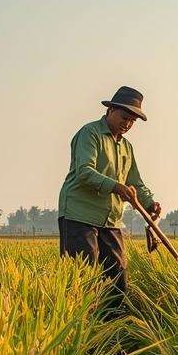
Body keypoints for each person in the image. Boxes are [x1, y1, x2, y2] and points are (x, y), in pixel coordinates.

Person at [57, 86, 161, 313]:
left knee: (118, 275)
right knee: (83, 276)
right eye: (124, 117)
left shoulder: (126, 147)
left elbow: (136, 182)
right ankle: (80, 326)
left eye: (132, 121)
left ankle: (113, 330)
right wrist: (115, 186)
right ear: (111, 110)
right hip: (79, 215)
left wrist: (149, 203)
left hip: (110, 220)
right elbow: (84, 172)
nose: (127, 124)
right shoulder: (90, 134)